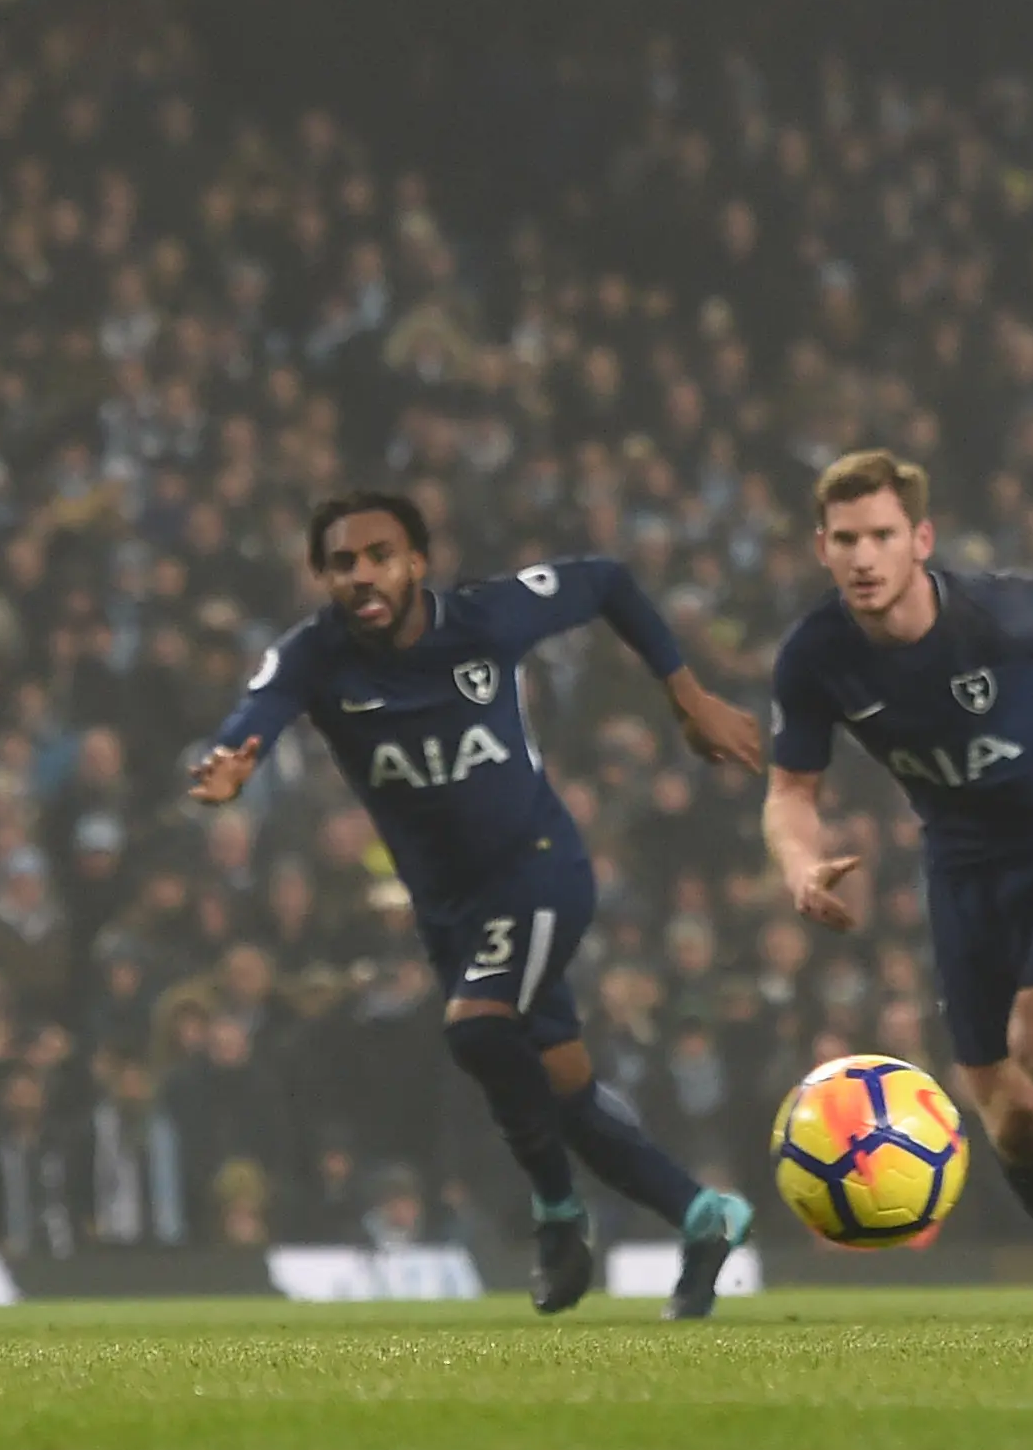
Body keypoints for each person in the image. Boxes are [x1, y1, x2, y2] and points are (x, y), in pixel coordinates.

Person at [189, 489, 765, 1318]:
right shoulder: (314, 656)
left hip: (538, 870)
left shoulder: (488, 620)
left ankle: (558, 1217)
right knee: (564, 1091)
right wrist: (232, 762)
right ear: (322, 577)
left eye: (379, 555)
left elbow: (606, 580)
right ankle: (706, 1217)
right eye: (341, 563)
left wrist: (689, 696)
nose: (361, 575)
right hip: (452, 910)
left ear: (417, 562)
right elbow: (256, 713)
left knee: (477, 1026)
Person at [761, 449, 1033, 1319]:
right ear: (822, 549)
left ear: (920, 540)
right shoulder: (814, 657)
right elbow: (790, 792)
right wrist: (799, 863)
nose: (864, 557)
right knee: (1010, 1115)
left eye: (881, 536)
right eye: (846, 540)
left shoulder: (1000, 611)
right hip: (963, 861)